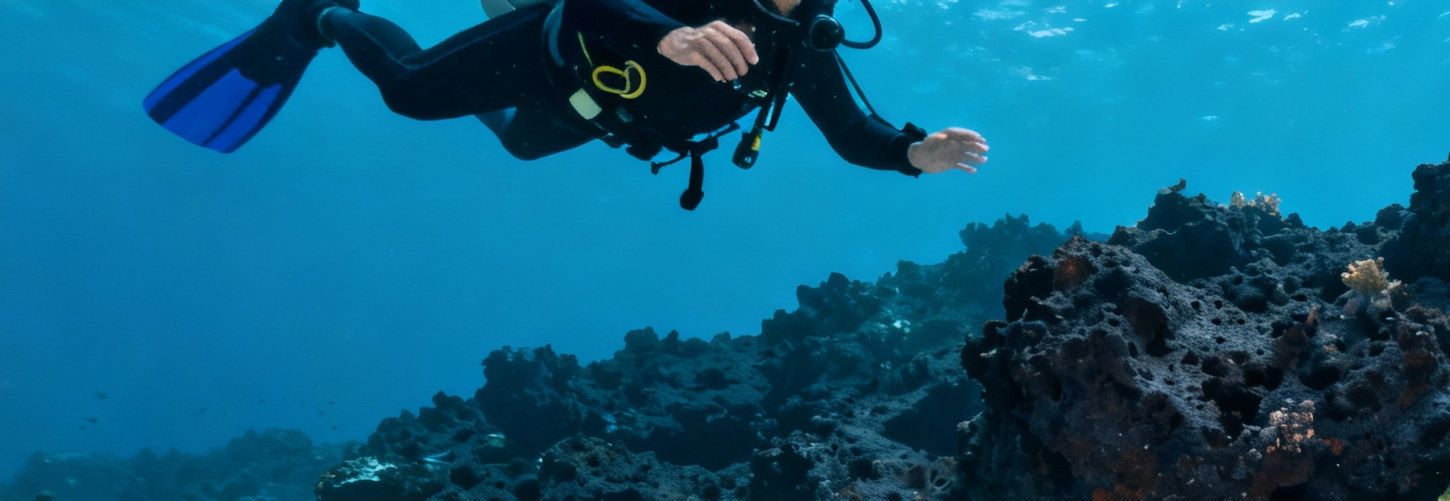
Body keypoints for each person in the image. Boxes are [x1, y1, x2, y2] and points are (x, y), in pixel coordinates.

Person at [144, 0, 988, 208]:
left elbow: (851, 130)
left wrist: (915, 153)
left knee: (515, 147)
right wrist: (673, 37)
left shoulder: (803, 43)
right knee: (407, 94)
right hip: (554, 46)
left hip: (602, 113)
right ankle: (322, 14)